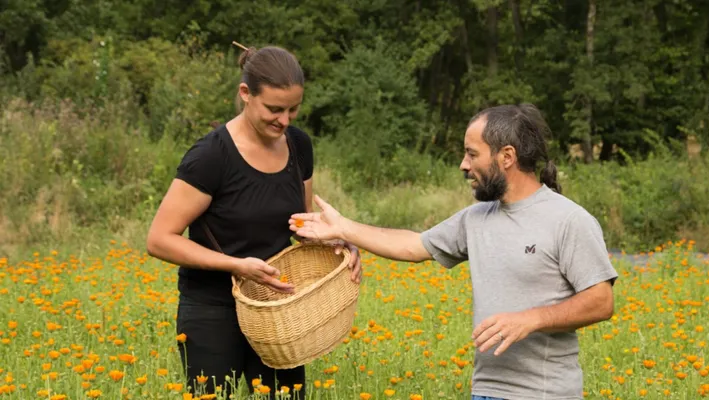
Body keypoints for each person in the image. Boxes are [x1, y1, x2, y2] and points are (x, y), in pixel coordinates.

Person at [288, 104, 618, 400]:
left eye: (472, 154)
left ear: (506, 156)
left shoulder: (568, 220)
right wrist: (344, 227)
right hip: (486, 391)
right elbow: (412, 246)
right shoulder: (476, 219)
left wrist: (532, 319)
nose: (463, 165)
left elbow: (601, 301)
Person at [145, 44, 362, 398]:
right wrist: (236, 266)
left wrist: (338, 244)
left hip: (279, 314)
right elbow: (159, 239)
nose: (285, 120)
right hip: (212, 311)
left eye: (293, 110)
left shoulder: (299, 147)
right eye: (274, 109)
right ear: (245, 94)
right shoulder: (211, 157)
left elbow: (302, 227)